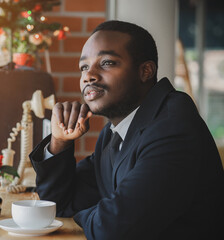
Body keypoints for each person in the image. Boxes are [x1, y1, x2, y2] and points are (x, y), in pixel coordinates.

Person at [29, 20, 224, 240]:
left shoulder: (173, 125)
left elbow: (112, 229)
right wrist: (59, 140)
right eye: (84, 66)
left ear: (146, 71)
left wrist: (98, 213)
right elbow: (58, 205)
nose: (88, 76)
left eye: (107, 63)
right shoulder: (114, 133)